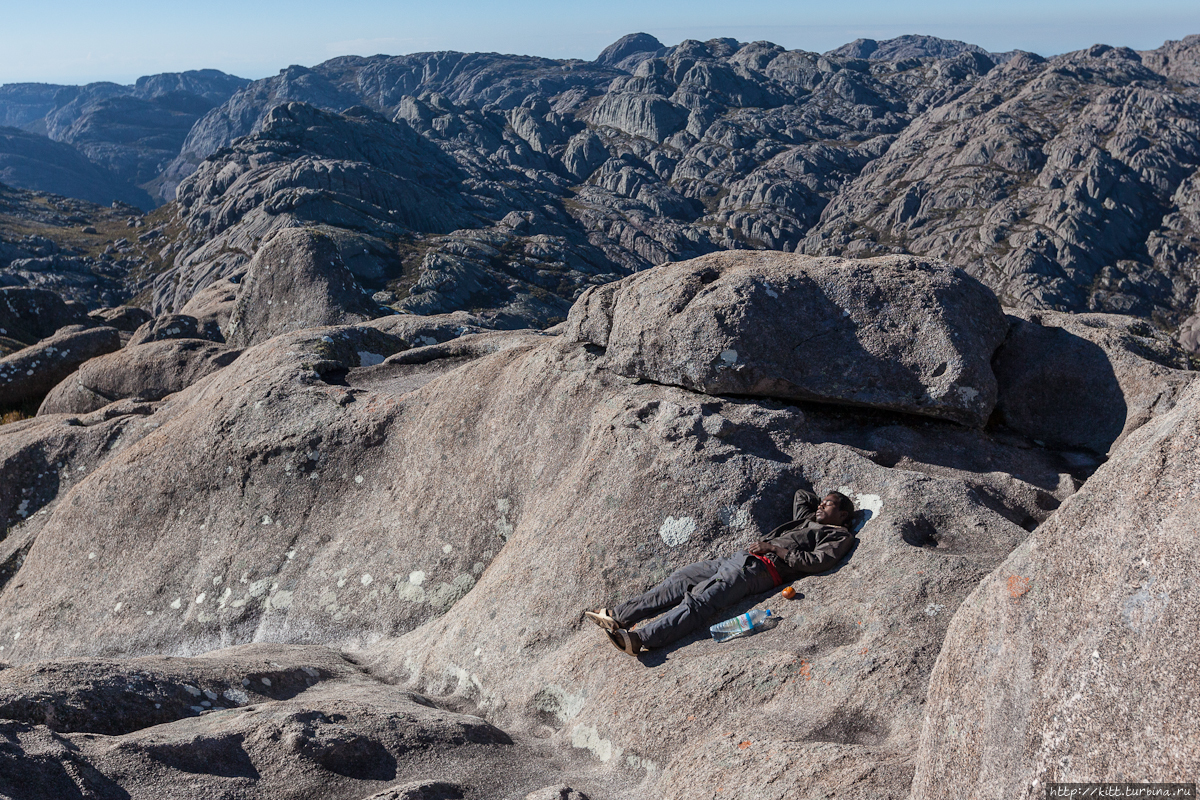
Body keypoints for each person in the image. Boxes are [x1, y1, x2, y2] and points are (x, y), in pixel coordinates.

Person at [585, 488, 855, 656]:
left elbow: (817, 561)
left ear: (843, 515)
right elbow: (802, 494)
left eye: (828, 504)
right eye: (823, 501)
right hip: (738, 559)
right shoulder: (810, 519)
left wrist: (773, 547)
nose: (820, 505)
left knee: (701, 600)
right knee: (682, 578)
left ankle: (641, 639)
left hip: (760, 569)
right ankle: (618, 616)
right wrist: (823, 504)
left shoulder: (839, 534)